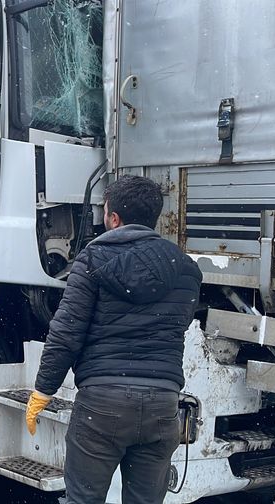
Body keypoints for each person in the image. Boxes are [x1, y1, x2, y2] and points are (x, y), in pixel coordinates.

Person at [25, 175, 202, 503]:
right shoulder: (187, 270)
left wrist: (42, 391)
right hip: (163, 408)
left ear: (114, 218)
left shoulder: (92, 260)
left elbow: (66, 333)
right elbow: (178, 324)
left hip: (102, 407)